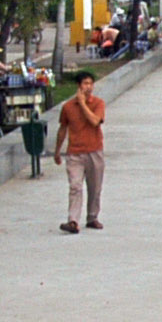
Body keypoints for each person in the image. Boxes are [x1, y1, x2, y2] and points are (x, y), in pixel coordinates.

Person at [54, 67, 110, 233]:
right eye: (85, 83)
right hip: (75, 153)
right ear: (79, 86)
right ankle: (73, 221)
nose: (88, 87)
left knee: (95, 187)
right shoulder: (68, 107)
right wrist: (57, 151)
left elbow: (94, 121)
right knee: (75, 186)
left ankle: (92, 217)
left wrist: (83, 104)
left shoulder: (98, 103)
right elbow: (63, 129)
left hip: (94, 151)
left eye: (91, 84)